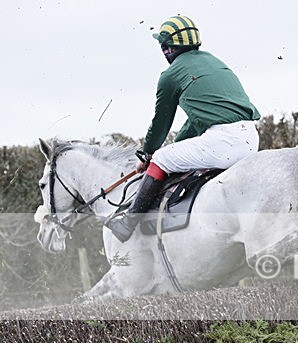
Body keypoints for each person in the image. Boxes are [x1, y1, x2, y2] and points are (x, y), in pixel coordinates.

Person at [107, 15, 261, 242]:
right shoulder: (214, 61)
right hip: (250, 138)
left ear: (167, 48)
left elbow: (161, 123)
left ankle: (128, 222)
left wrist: (148, 155)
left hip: (223, 143)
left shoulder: (171, 75)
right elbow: (196, 121)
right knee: (171, 155)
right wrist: (178, 145)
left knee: (161, 158)